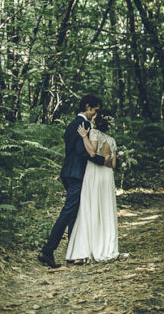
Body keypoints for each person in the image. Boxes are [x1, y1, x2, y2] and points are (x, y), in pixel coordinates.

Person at [38, 94, 106, 268]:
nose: (95, 115)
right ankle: (47, 250)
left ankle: (73, 252)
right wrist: (102, 160)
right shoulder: (83, 124)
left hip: (69, 171)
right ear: (88, 106)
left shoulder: (71, 124)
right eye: (95, 110)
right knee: (68, 212)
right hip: (76, 173)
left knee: (74, 212)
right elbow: (82, 151)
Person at [66, 112, 119, 263]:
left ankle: (83, 252)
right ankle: (106, 247)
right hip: (107, 176)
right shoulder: (112, 140)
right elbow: (113, 165)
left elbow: (91, 151)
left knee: (88, 208)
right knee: (105, 210)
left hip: (95, 173)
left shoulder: (94, 133)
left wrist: (84, 136)